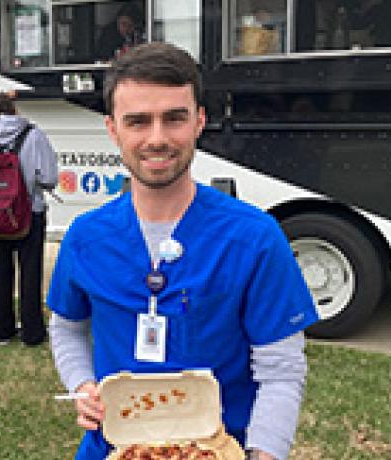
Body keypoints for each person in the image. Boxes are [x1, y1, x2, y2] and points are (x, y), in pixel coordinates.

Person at [47, 43, 319, 460]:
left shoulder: (255, 238)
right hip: (113, 449)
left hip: (217, 448)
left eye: (174, 118)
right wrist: (83, 386)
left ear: (199, 122)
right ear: (113, 129)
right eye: (137, 121)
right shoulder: (85, 237)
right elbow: (67, 326)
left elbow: (281, 370)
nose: (157, 139)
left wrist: (264, 454)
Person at [0, 92, 58, 346]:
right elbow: (48, 176)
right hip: (29, 211)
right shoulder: (33, 134)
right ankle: (32, 332)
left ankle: (2, 330)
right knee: (30, 272)